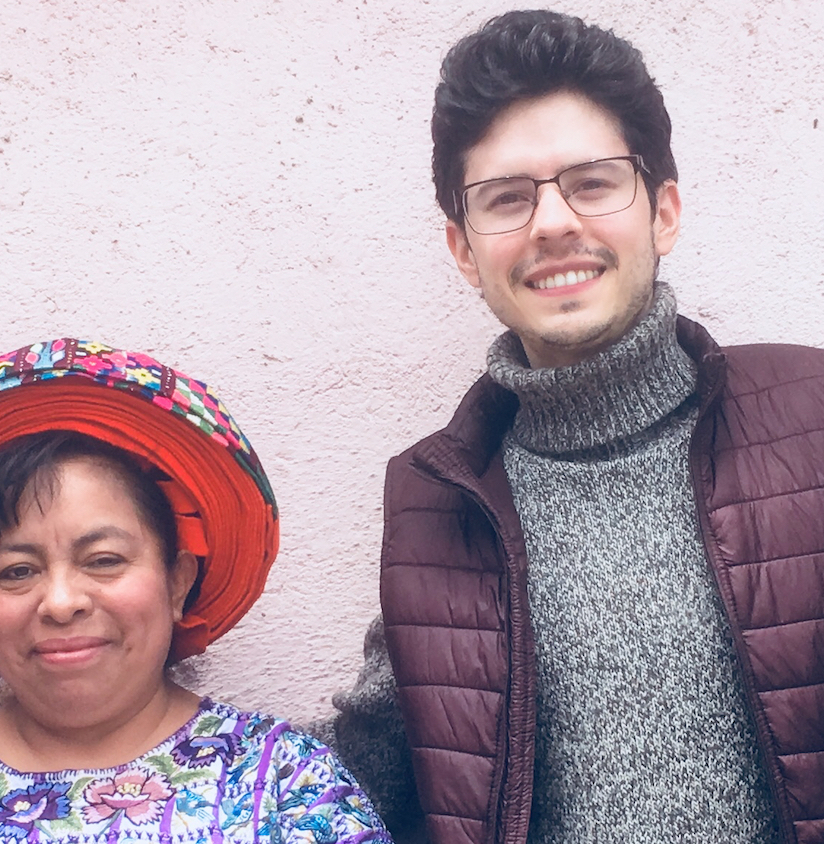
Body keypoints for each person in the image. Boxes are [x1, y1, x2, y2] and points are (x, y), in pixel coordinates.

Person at [308, 10, 824, 844]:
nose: (552, 223)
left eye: (591, 182)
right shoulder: (438, 502)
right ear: (466, 251)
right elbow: (353, 788)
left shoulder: (812, 417)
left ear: (663, 212)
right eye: (508, 199)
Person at [0, 339, 390, 843]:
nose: (60, 602)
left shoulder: (287, 785)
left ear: (178, 582)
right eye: (17, 570)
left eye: (104, 560)